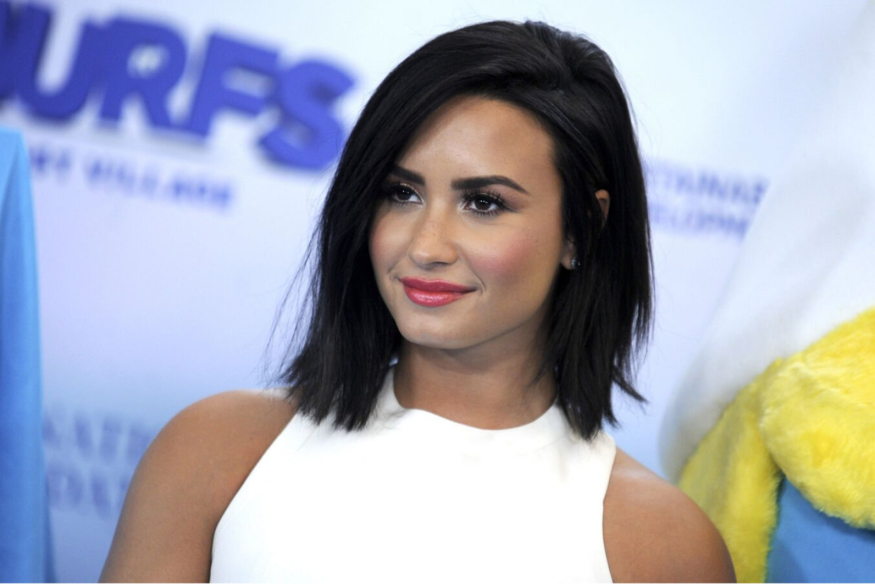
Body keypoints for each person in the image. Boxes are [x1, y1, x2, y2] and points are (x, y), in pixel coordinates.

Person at [101, 20, 735, 583]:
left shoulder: (658, 544)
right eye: (401, 194)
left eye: (484, 203)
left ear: (582, 229)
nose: (426, 246)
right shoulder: (215, 450)